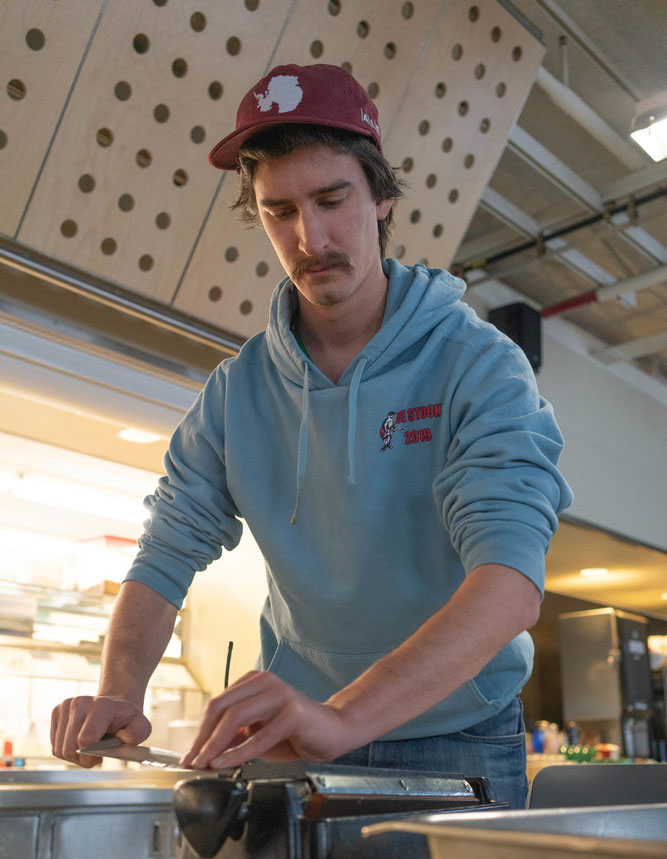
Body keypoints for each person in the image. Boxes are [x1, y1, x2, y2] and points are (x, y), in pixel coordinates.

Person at [51, 63, 572, 809]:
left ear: (381, 197)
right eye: (279, 211)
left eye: (332, 200)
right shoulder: (238, 392)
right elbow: (165, 553)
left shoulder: (477, 365)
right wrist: (118, 693)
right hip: (298, 738)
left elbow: (510, 585)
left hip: (458, 736)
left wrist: (344, 717)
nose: (310, 237)